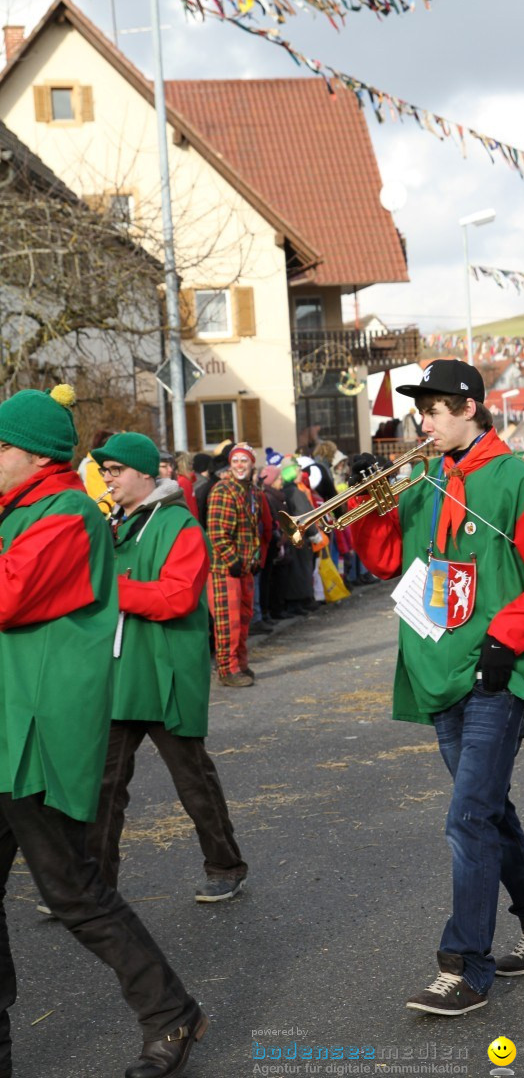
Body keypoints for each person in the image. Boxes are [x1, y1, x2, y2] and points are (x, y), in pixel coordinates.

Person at [350, 359, 524, 1016]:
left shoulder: (518, 480)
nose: (421, 423)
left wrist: (508, 637)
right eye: (421, 411)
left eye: (431, 411)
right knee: (487, 810)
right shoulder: (426, 481)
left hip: (495, 672)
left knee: (468, 816)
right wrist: (368, 504)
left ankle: (465, 966)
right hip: (440, 667)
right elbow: (385, 562)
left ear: (467, 407)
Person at [0, 387, 206, 1078]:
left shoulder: (63, 516)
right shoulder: (23, 509)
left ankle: (170, 1013)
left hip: (34, 737)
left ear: (32, 455)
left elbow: (6, 595)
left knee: (75, 892)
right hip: (6, 728)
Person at [87, 432, 248, 903]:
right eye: (105, 471)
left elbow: (176, 598)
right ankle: (94, 887)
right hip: (122, 673)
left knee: (192, 779)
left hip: (165, 670)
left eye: (116, 470)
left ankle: (225, 866)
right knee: (103, 787)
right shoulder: (115, 524)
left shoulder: (180, 524)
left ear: (144, 473)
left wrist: (109, 586)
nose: (108, 479)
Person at [206, 443, 262, 686]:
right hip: (225, 568)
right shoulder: (223, 490)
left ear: (251, 465)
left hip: (244, 567)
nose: (240, 465)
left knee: (244, 618)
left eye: (244, 461)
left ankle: (240, 664)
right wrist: (233, 559)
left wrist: (255, 558)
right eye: (236, 460)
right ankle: (227, 670)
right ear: (230, 464)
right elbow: (217, 532)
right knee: (228, 621)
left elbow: (251, 530)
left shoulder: (251, 491)